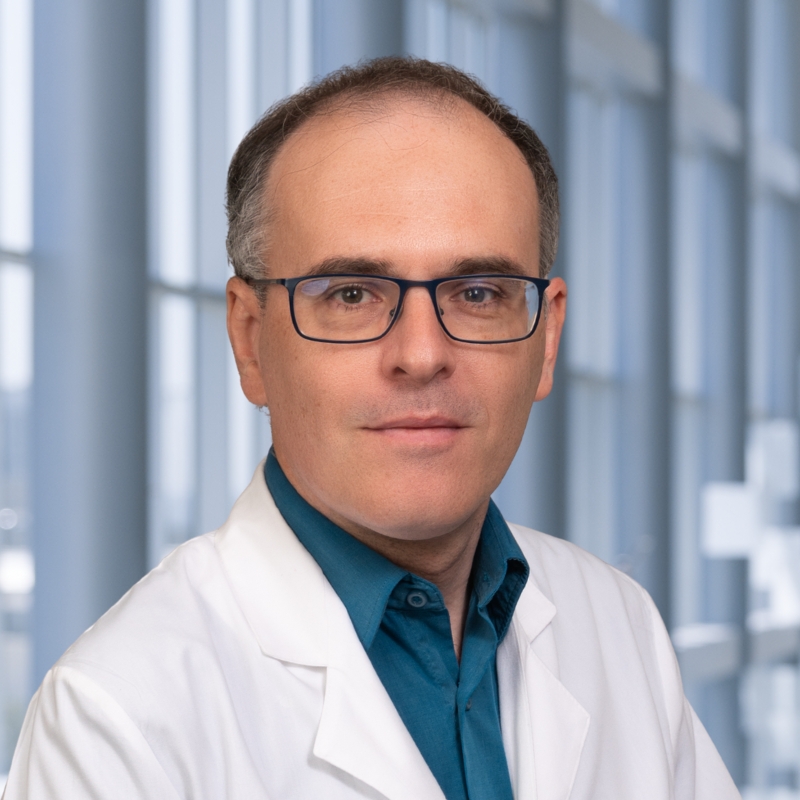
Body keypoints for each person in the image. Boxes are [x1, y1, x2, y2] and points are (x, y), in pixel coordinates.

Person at [4, 57, 738, 800]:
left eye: (478, 292)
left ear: (545, 341)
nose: (421, 355)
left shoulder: (619, 628)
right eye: (352, 294)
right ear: (250, 341)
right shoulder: (117, 718)